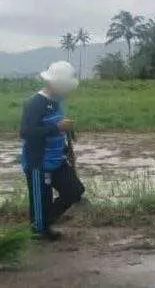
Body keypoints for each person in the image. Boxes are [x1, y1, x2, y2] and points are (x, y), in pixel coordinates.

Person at [21, 61, 86, 241]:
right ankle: (40, 230)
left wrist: (66, 139)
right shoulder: (35, 104)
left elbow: (56, 124)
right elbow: (26, 133)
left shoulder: (56, 102)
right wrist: (57, 127)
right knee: (42, 201)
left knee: (74, 190)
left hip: (57, 160)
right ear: (57, 85)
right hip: (39, 163)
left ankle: (41, 224)